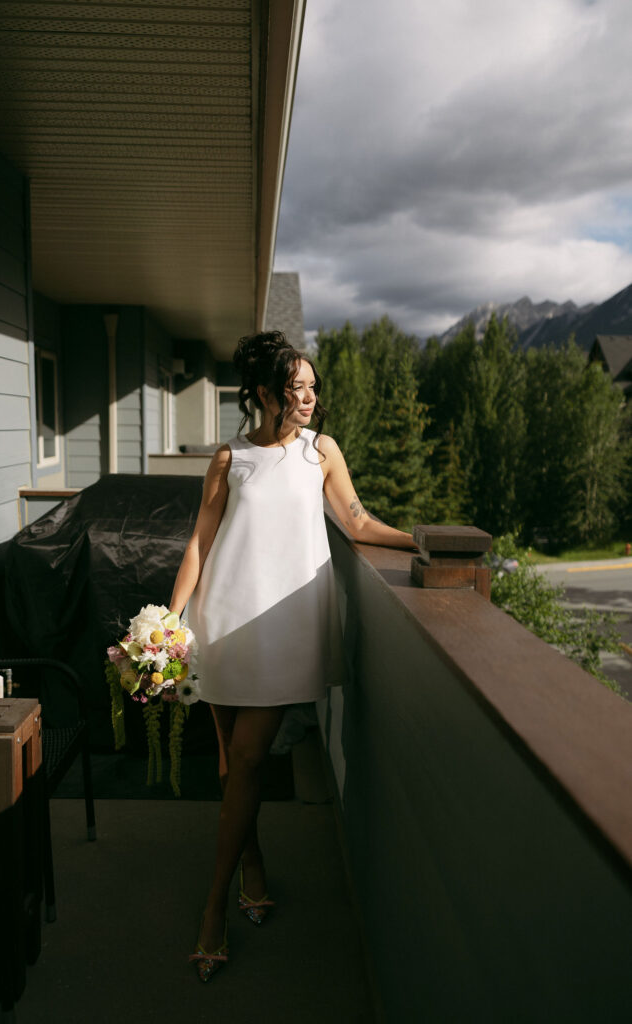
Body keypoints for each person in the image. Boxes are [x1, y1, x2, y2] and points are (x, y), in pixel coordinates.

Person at [168, 331, 416, 981]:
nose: (308, 399)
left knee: (249, 757)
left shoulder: (320, 453)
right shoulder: (229, 458)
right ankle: (251, 867)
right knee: (233, 768)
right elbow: (200, 542)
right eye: (295, 388)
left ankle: (213, 907)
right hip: (222, 623)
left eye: (312, 387)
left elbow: (357, 523)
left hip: (286, 632)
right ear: (261, 394)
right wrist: (168, 625)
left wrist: (424, 539)